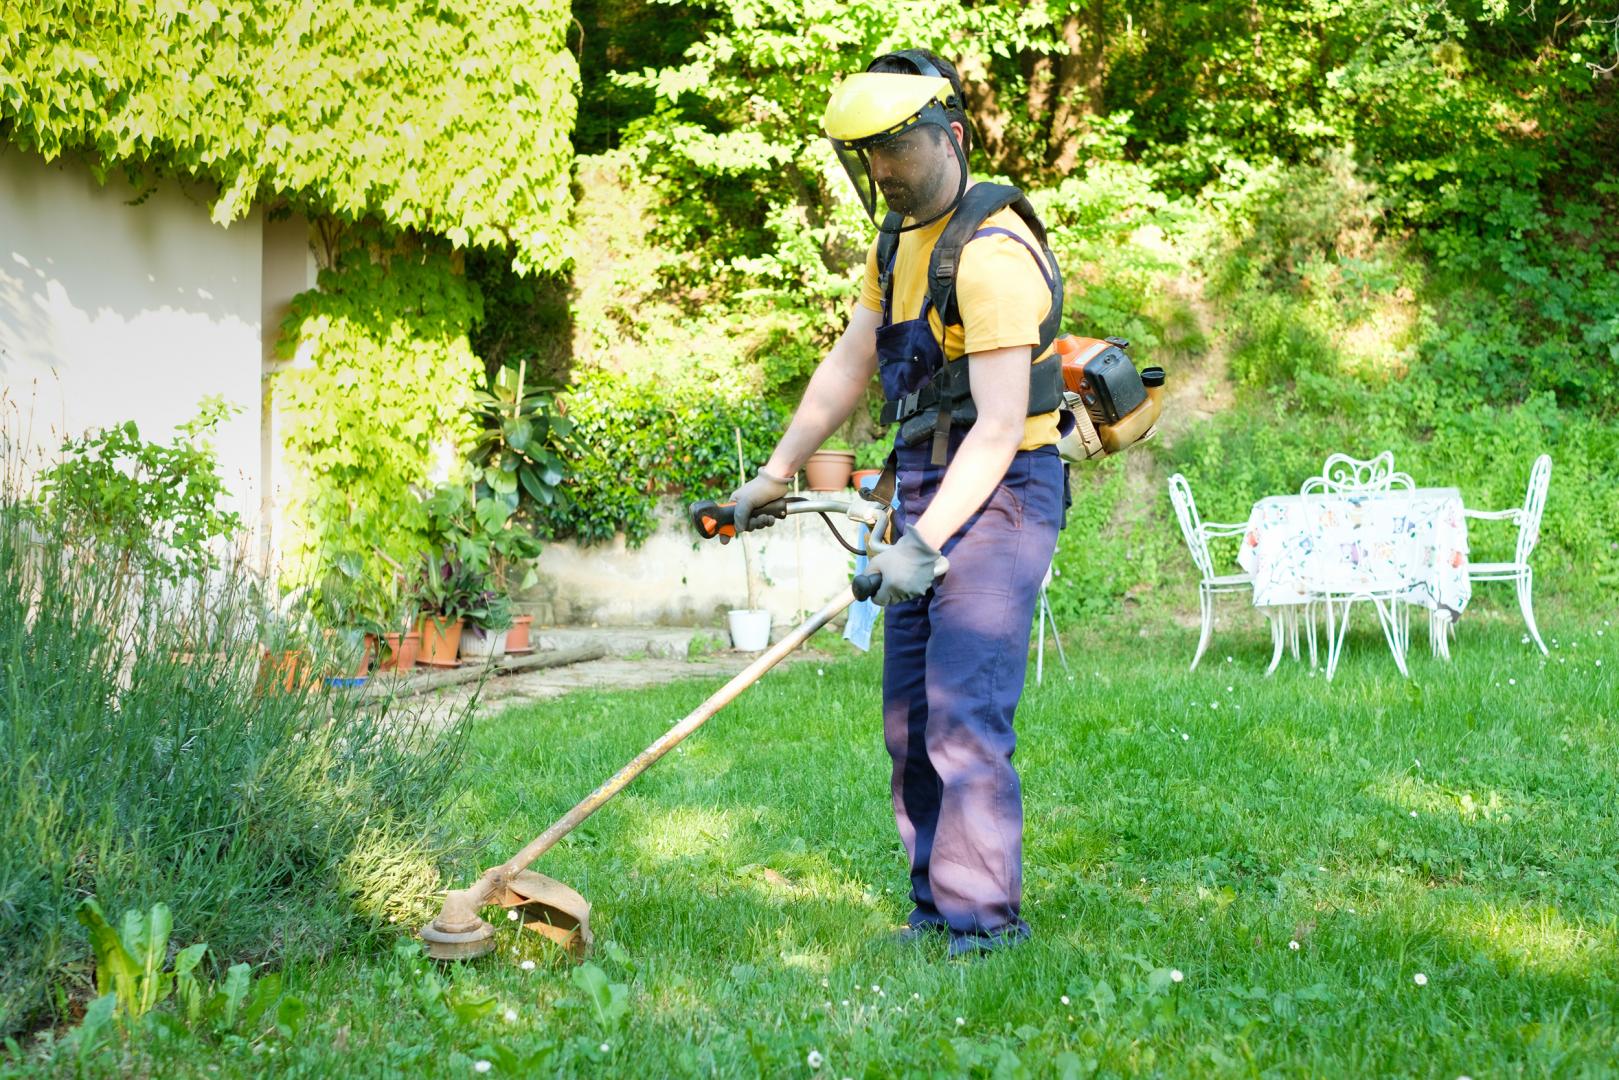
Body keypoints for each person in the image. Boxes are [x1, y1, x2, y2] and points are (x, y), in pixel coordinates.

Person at [727, 48, 1066, 959]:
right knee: (909, 723)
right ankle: (932, 905)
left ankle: (985, 924)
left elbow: (998, 428)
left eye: (896, 151)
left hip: (1002, 495)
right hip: (924, 480)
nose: (882, 171)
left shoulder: (993, 257)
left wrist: (921, 544)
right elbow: (848, 364)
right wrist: (773, 474)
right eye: (865, 155)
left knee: (962, 717)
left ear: (949, 137)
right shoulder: (897, 241)